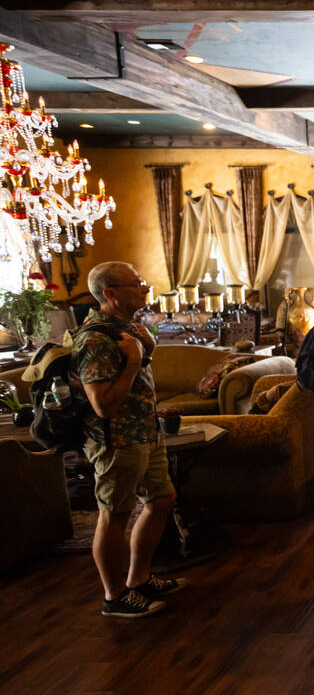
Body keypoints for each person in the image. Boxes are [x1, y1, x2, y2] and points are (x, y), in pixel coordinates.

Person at [74, 261, 187, 617]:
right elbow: (103, 405)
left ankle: (138, 580)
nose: (145, 288)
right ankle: (114, 596)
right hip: (117, 440)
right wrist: (135, 361)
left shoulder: (128, 329)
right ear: (110, 293)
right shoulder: (95, 339)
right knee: (114, 515)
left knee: (162, 500)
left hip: (145, 432)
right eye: (136, 284)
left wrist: (145, 350)